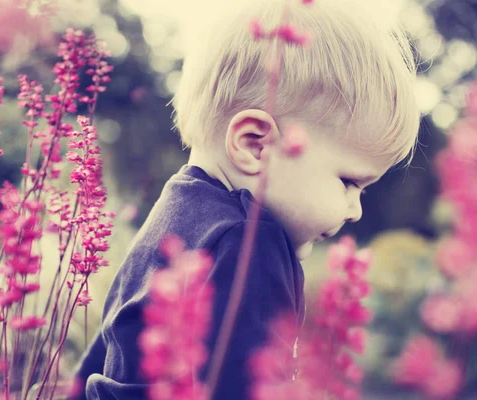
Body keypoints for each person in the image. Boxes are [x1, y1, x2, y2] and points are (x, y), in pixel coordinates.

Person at [71, 0, 420, 398]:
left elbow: (99, 358)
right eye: (348, 182)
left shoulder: (171, 215)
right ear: (256, 145)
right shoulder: (251, 243)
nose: (356, 211)